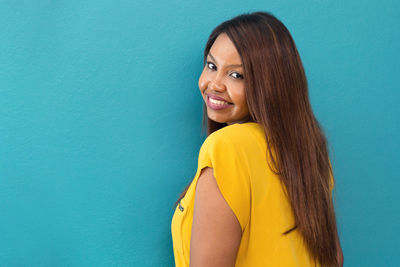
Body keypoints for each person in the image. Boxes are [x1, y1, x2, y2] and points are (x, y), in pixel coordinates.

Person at [171, 11, 344, 267]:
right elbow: (334, 259)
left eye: (236, 75)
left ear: (270, 85)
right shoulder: (310, 152)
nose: (214, 84)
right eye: (211, 66)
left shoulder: (227, 147)